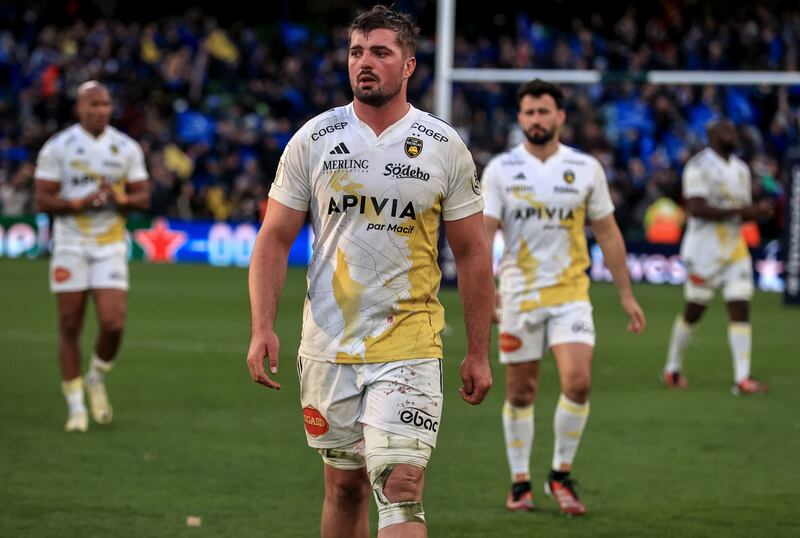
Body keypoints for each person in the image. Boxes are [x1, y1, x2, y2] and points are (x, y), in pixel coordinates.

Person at [245, 6, 493, 538]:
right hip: (328, 343)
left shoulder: (444, 146)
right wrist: (262, 326)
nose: (365, 62)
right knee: (344, 486)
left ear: (408, 66)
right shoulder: (314, 139)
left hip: (410, 343)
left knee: (401, 487)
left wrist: (478, 349)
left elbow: (472, 255)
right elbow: (273, 238)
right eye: (357, 51)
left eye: (380, 52)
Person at [481, 79, 646, 516]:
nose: (536, 119)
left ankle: (560, 474)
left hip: (572, 293)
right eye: (529, 113)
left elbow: (608, 233)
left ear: (560, 117)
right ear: (520, 119)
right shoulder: (500, 169)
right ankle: (520, 482)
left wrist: (626, 294)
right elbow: (484, 236)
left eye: (544, 112)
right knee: (521, 393)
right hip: (518, 296)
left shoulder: (586, 167)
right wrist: (488, 291)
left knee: (578, 381)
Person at [34, 80, 150, 432]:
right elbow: (42, 199)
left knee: (113, 323)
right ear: (79, 108)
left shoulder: (125, 147)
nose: (101, 110)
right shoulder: (59, 147)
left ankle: (96, 376)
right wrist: (77, 204)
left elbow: (143, 198)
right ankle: (75, 408)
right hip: (70, 244)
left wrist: (120, 199)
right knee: (70, 325)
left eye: (106, 104)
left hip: (110, 243)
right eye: (94, 105)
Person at [662, 118, 772, 394]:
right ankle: (672, 368)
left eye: (734, 129)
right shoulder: (698, 166)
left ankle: (742, 379)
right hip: (704, 251)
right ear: (711, 134)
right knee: (695, 310)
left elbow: (742, 209)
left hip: (734, 249)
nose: (733, 133)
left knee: (740, 306)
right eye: (727, 130)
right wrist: (740, 212)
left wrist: (757, 212)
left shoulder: (741, 169)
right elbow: (697, 208)